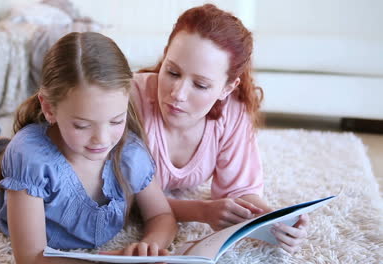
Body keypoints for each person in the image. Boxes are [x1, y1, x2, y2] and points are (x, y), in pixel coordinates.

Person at [0, 32, 177, 264]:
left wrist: (150, 245)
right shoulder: (29, 157)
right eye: (83, 125)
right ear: (49, 108)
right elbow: (30, 257)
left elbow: (162, 215)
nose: (102, 139)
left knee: (13, 148)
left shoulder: (128, 151)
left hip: (30, 154)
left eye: (116, 121)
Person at [131, 4, 308, 254]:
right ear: (165, 55)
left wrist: (274, 220)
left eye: (201, 85)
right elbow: (122, 201)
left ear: (227, 88)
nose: (177, 94)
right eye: (171, 71)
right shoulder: (129, 100)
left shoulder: (232, 111)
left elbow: (240, 191)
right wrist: (201, 211)